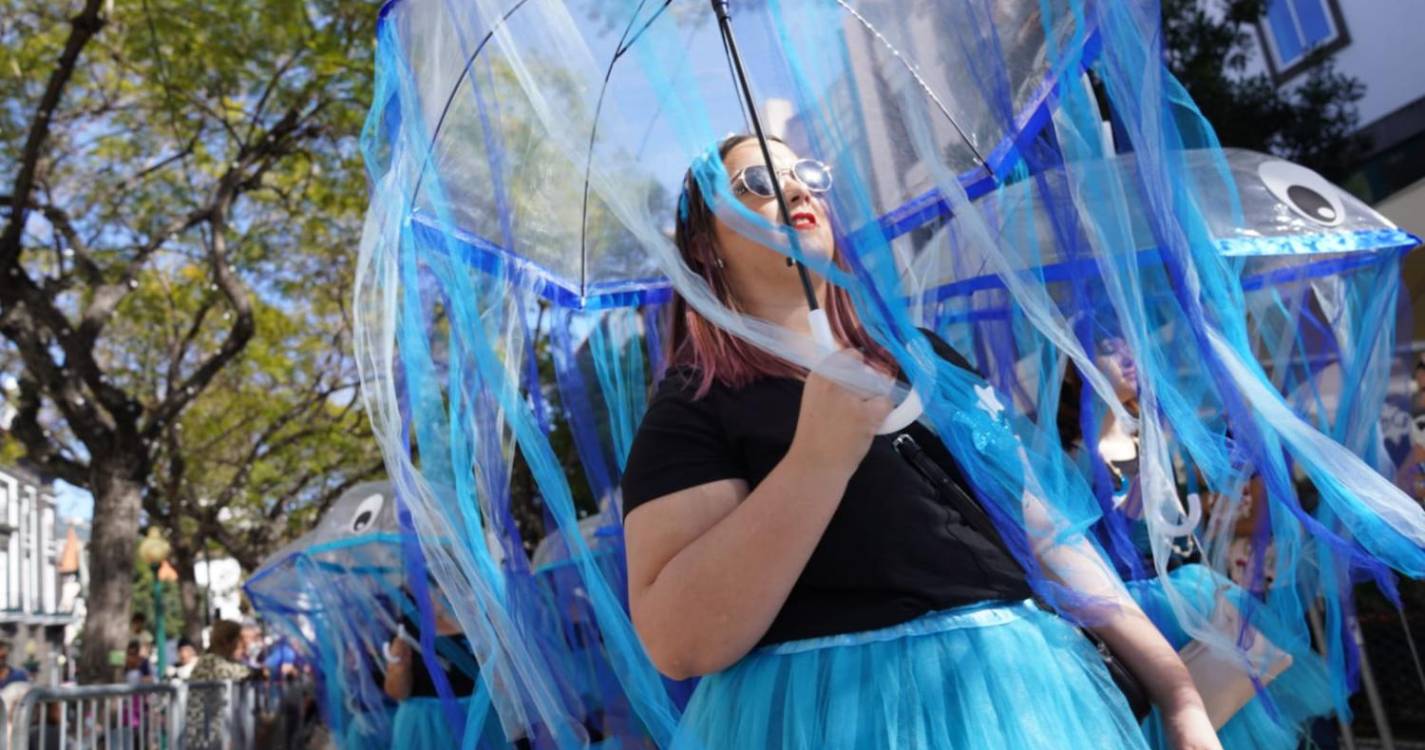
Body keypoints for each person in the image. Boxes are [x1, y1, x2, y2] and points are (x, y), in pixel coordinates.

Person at [620, 134, 1221, 749]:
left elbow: (1044, 531)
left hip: (1023, 702)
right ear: (703, 245)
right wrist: (815, 463)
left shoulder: (924, 357)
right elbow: (679, 641)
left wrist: (1179, 696)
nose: (798, 189)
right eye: (759, 184)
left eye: (806, 172)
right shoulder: (694, 405)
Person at [382, 589, 510, 749]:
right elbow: (396, 692)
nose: (441, 594)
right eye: (433, 587)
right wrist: (399, 667)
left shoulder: (483, 627)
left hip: (478, 724)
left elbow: (506, 691)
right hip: (423, 729)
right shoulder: (408, 627)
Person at [184, 620, 254, 750]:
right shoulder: (211, 661)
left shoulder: (214, 659)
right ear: (227, 641)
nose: (239, 644)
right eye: (238, 639)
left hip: (209, 729)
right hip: (201, 729)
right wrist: (257, 672)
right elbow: (236, 672)